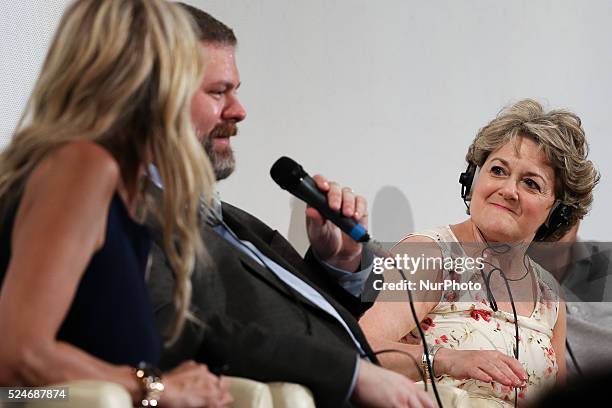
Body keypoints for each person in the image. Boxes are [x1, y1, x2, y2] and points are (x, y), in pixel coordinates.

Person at [146, 4, 434, 408]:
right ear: (156, 97)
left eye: (236, 90)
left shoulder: (233, 221)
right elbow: (184, 331)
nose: (239, 110)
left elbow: (305, 320)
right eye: (217, 92)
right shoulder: (134, 215)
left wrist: (339, 261)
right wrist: (349, 375)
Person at [0, 1, 231, 407]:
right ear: (154, 83)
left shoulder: (116, 186)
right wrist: (157, 387)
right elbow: (18, 356)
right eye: (202, 86)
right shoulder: (83, 166)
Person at [359, 99, 599, 406]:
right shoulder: (430, 254)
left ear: (558, 213)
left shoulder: (549, 295)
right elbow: (362, 347)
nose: (509, 190)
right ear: (473, 179)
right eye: (498, 170)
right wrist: (447, 360)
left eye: (530, 183)